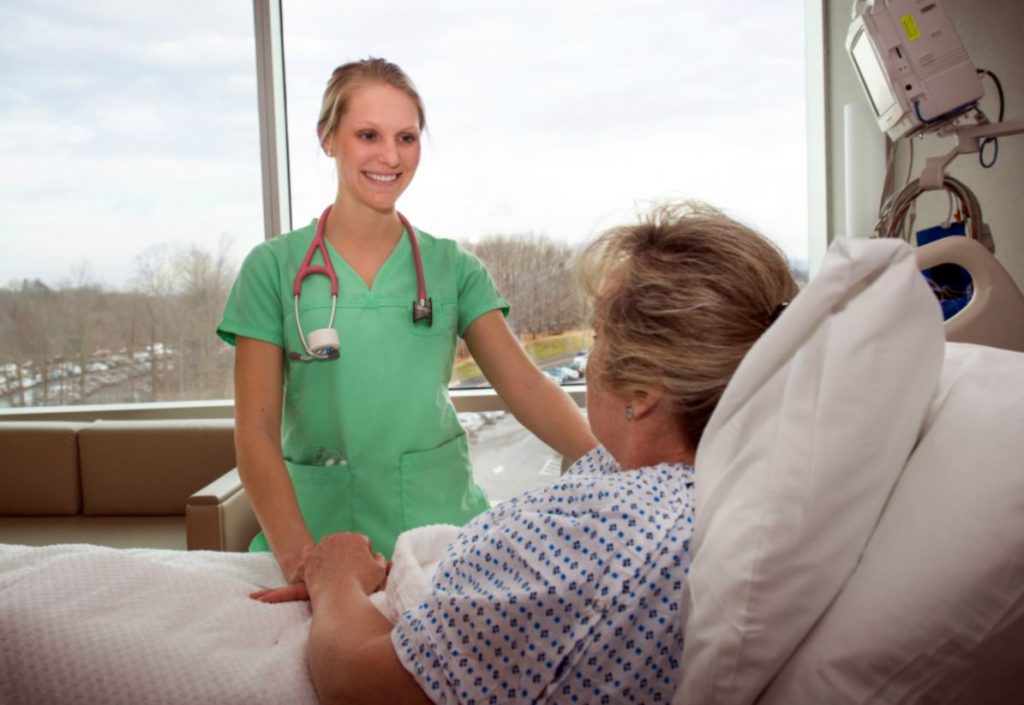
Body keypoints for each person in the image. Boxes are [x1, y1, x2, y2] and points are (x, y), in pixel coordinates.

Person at [253, 200, 801, 704]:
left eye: (598, 337)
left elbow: (356, 681)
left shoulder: (588, 534)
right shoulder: (750, 498)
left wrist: (334, 578)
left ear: (642, 393)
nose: (589, 358)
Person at [217, 58, 595, 585]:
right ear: (327, 138)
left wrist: (608, 463)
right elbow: (255, 432)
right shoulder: (273, 269)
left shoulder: (453, 269)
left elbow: (527, 388)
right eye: (367, 135)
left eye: (407, 137)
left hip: (441, 535)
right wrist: (302, 563)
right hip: (319, 536)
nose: (390, 156)